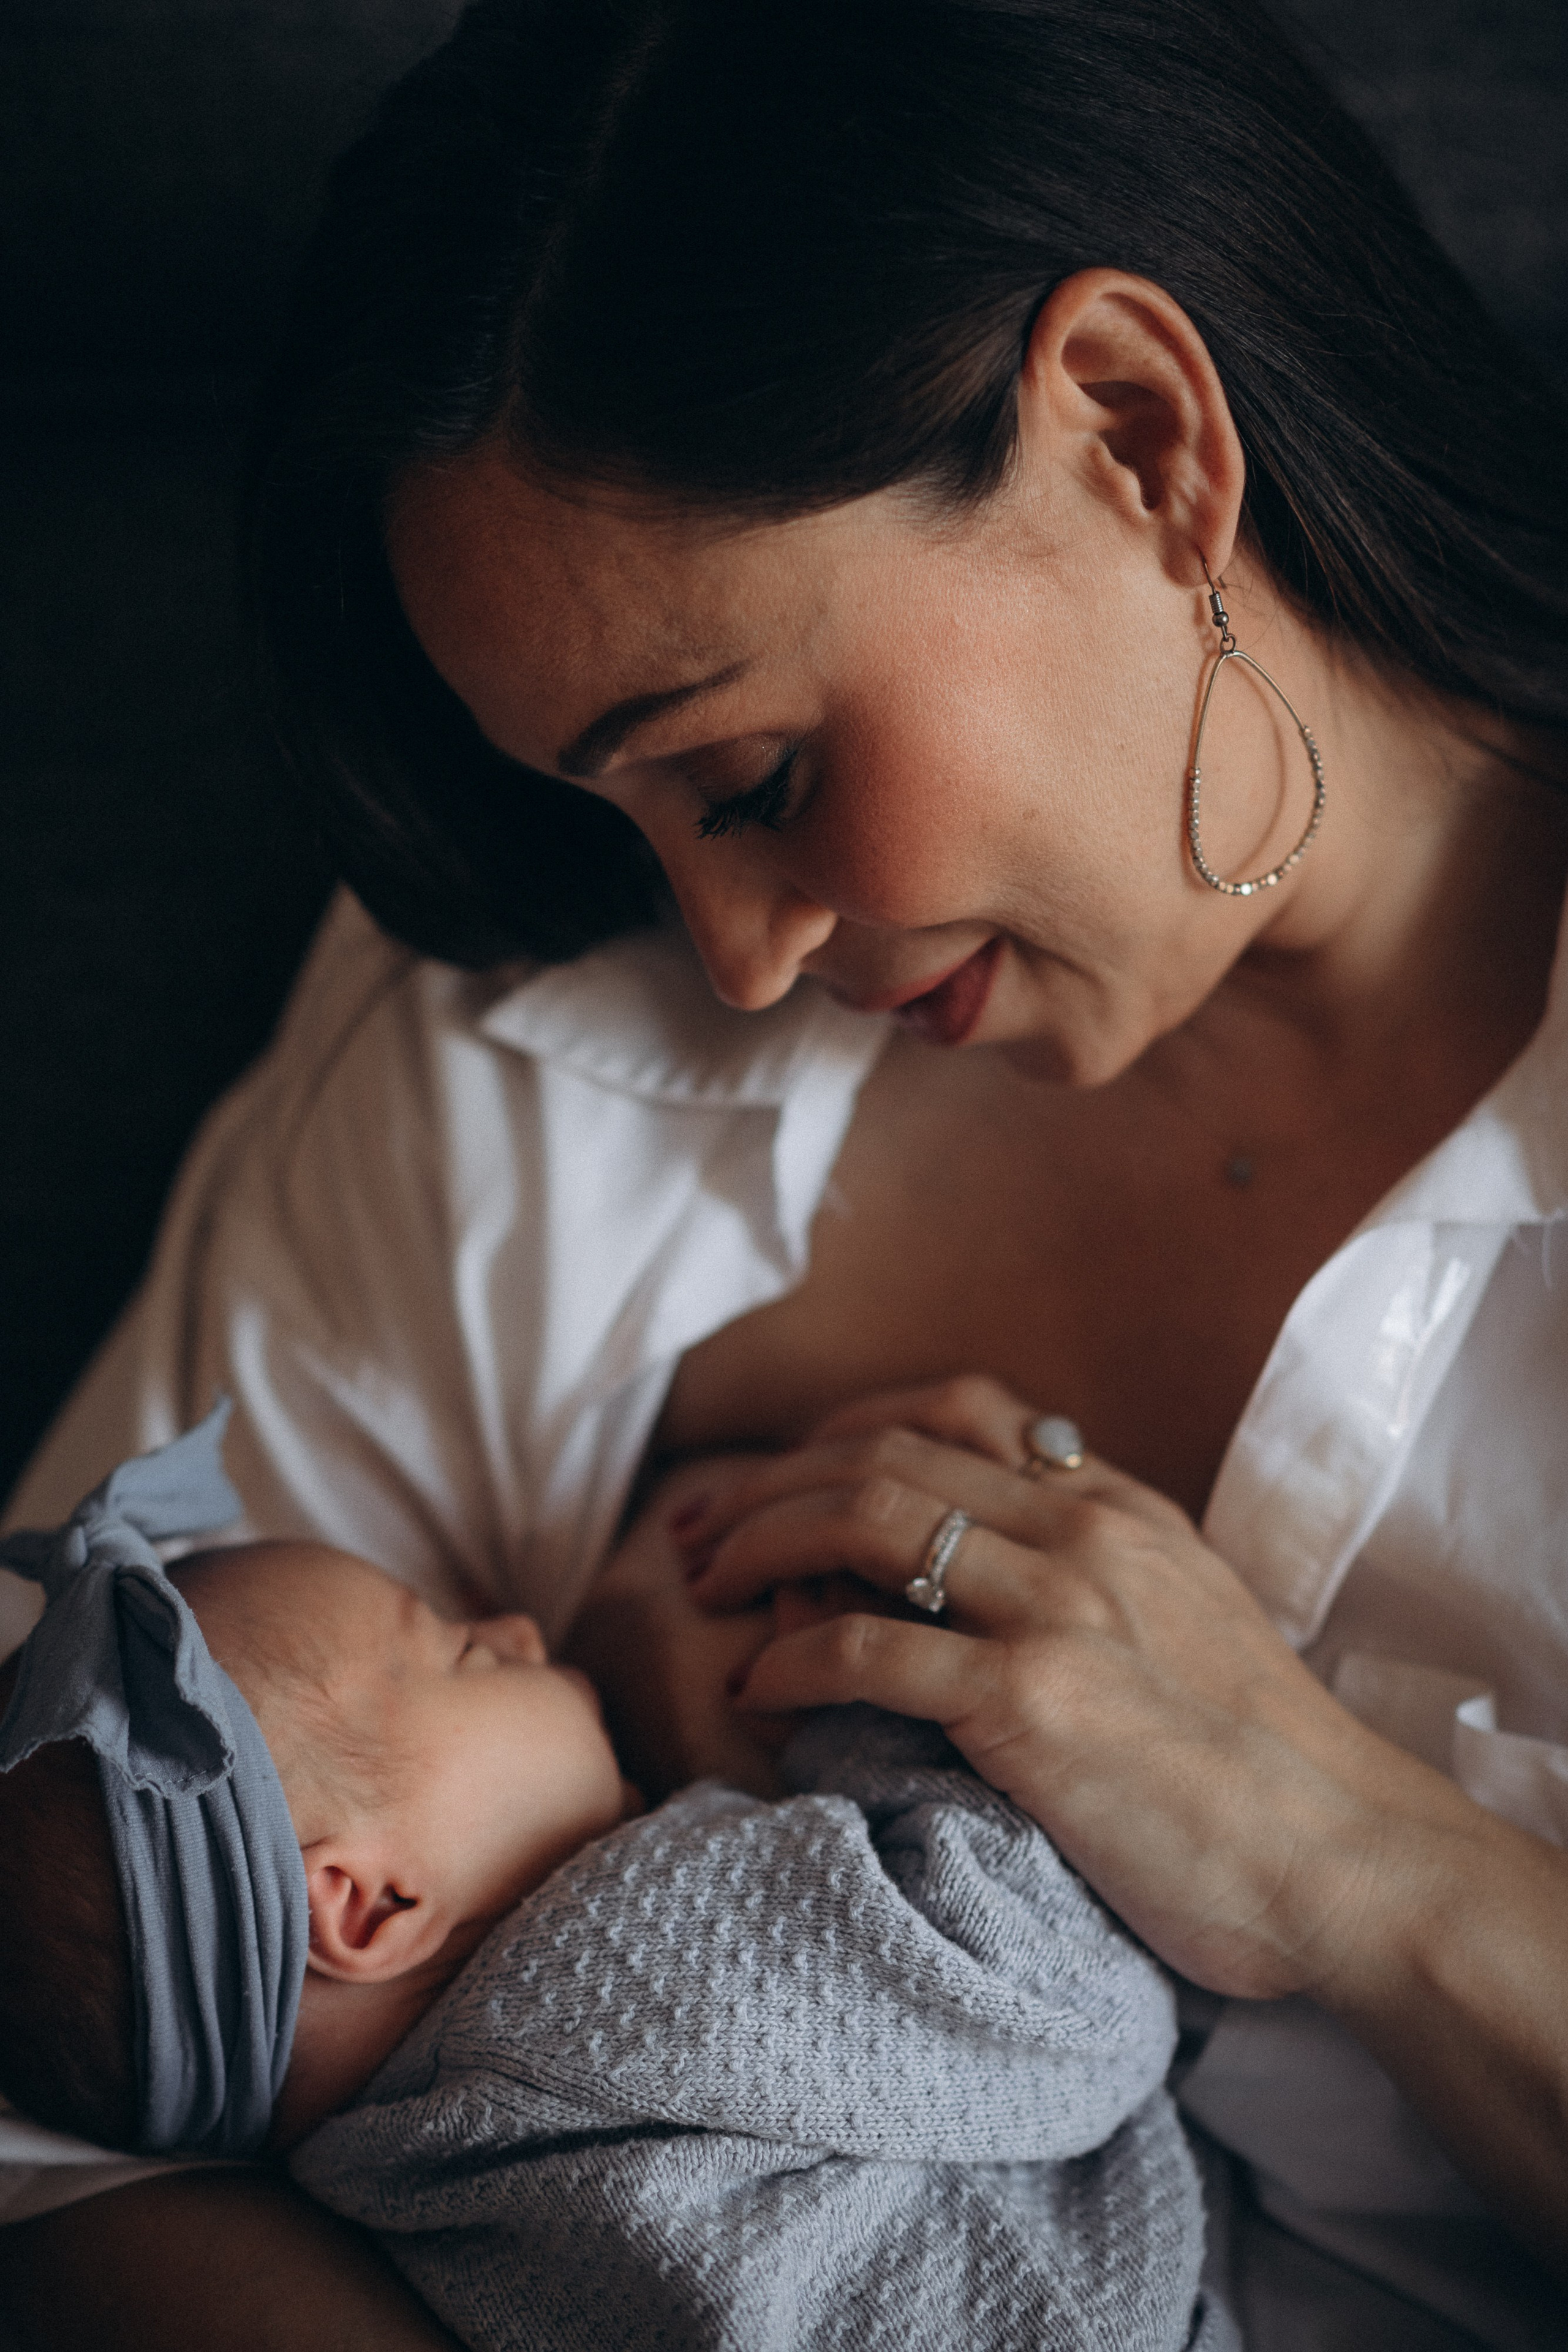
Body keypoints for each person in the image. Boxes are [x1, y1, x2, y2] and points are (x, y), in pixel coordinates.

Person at [2, 0, 1566, 2345]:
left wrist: (1356, 1860)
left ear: (1137, 438)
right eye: (603, 809)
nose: (730, 962)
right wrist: (621, 1743)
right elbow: (54, 2101)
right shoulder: (525, 1058)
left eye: (747, 778)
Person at [0, 1419, 1219, 2352]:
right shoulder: (616, 1966)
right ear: (369, 1907)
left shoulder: (381, 2189)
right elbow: (1064, 2005)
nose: (524, 1630)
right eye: (461, 1649)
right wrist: (874, 1715)